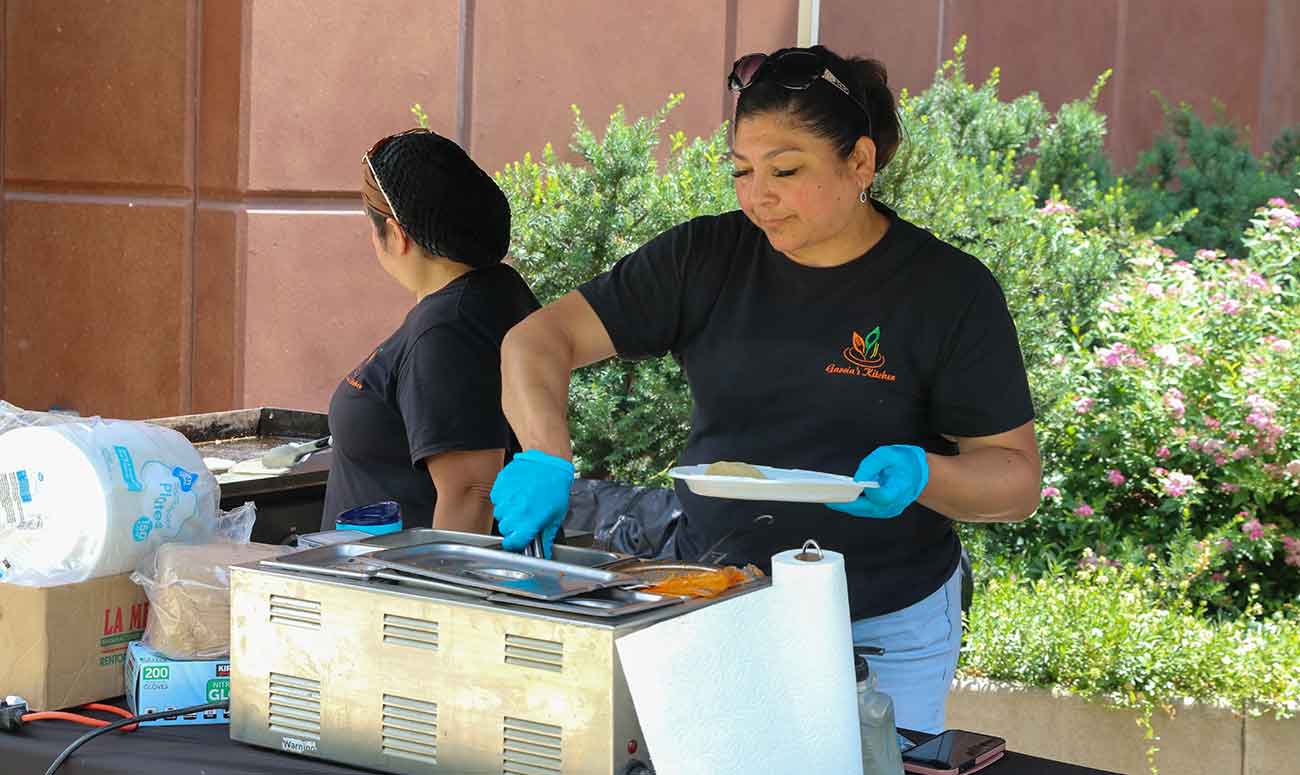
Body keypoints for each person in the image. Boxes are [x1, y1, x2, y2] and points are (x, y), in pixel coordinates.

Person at [488, 46, 1040, 733]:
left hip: (885, 625)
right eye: (742, 172)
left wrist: (928, 474)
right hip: (723, 605)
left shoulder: (947, 291)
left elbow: (1016, 480)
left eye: (785, 170)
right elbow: (537, 340)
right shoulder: (705, 258)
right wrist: (546, 453)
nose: (757, 197)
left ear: (861, 163)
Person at [323, 128, 540, 534]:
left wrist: (439, 594)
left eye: (374, 226)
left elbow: (471, 490)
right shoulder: (495, 292)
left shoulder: (447, 330)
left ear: (398, 235)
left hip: (412, 586)